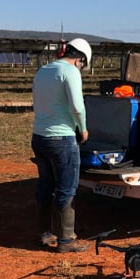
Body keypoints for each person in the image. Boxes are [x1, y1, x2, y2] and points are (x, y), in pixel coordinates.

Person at [31, 38, 92, 253]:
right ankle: (66, 240)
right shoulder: (71, 71)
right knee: (66, 187)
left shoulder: (43, 71)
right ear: (80, 60)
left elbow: (35, 103)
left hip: (39, 137)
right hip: (62, 139)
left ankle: (44, 233)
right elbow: (77, 105)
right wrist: (82, 128)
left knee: (45, 186)